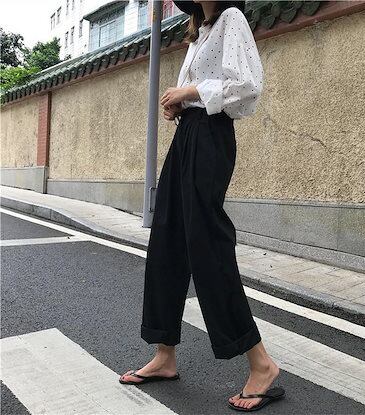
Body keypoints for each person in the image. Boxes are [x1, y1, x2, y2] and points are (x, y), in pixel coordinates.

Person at [119, 1, 285, 412]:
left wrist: (190, 92)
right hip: (189, 135)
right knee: (167, 241)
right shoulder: (201, 30)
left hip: (212, 138)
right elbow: (205, 90)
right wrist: (180, 103)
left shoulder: (231, 19)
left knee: (208, 245)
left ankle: (262, 364)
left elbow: (247, 86)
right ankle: (164, 354)